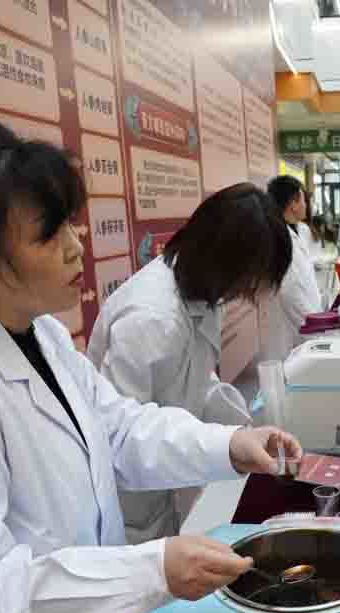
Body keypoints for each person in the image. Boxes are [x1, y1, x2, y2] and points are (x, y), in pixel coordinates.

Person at [0, 119, 302, 613]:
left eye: (71, 223)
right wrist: (150, 570)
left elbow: (116, 427)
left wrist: (229, 444)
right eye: (49, 234)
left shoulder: (38, 333)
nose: (76, 247)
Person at [87, 182, 293, 544]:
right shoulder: (151, 318)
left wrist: (245, 429)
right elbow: (119, 433)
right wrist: (226, 444)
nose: (245, 293)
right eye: (247, 280)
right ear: (219, 255)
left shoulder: (202, 292)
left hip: (161, 479)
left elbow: (197, 379)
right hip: (126, 497)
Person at [262, 175, 324, 360]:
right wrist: (315, 329)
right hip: (294, 332)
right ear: (294, 202)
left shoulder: (293, 231)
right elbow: (289, 292)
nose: (306, 204)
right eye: (304, 199)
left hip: (303, 327)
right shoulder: (279, 238)